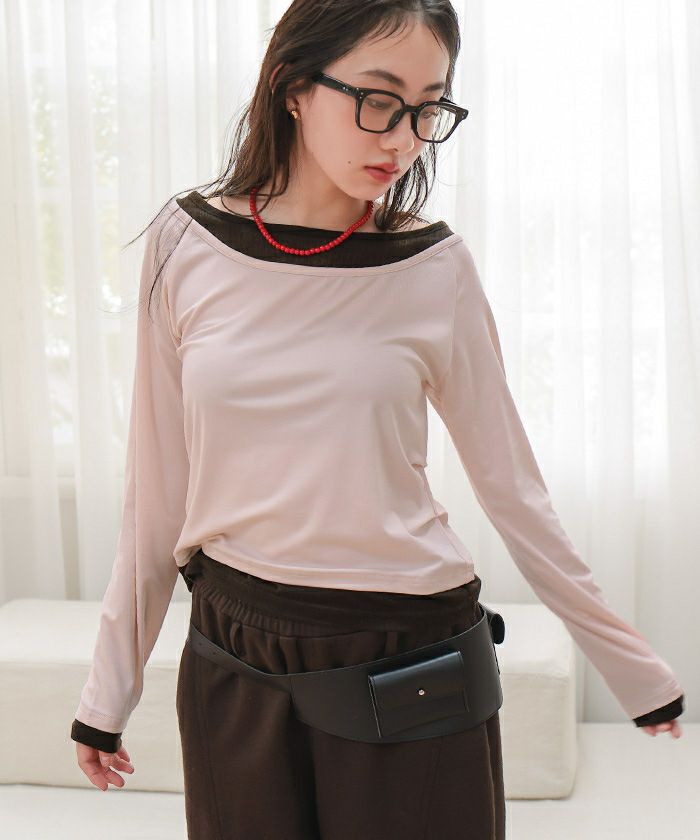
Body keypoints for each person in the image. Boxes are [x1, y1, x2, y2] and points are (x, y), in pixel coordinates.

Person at [70, 2, 684, 837]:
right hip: (235, 648)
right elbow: (155, 492)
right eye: (379, 100)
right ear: (292, 86)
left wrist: (634, 671)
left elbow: (513, 490)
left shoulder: (434, 266)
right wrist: (107, 693)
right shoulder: (187, 242)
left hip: (409, 652)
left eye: (428, 109)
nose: (403, 139)